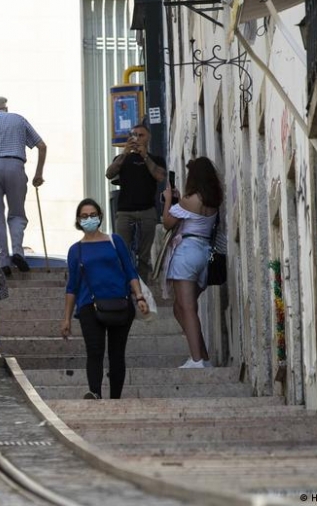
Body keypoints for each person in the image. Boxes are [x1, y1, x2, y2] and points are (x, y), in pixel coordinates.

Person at [61, 199, 149, 399]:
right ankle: (95, 393)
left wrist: (139, 297)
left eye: (93, 215)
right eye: (84, 216)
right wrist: (66, 318)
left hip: (120, 304)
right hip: (88, 307)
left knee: (117, 354)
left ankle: (115, 399)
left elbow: (130, 270)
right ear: (78, 220)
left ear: (100, 217)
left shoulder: (114, 241)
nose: (89, 219)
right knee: (95, 351)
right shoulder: (76, 250)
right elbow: (72, 286)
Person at [161, 156, 223, 369]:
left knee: (186, 307)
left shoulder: (190, 200)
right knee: (180, 308)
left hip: (186, 253)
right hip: (204, 253)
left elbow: (167, 222)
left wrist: (169, 199)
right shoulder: (213, 200)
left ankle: (197, 361)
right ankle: (203, 355)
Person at [0, 96, 46, 276]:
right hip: (16, 166)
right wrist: (38, 174)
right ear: (6, 109)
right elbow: (42, 146)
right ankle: (17, 252)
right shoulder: (19, 119)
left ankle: (2, 261)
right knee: (17, 214)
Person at [105, 123, 166, 277]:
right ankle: (125, 287)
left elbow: (159, 176)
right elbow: (109, 174)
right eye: (134, 135)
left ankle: (143, 288)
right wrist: (125, 153)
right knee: (122, 252)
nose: (137, 138)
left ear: (148, 138)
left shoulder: (156, 159)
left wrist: (145, 156)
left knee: (144, 257)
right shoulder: (121, 158)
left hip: (147, 211)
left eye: (141, 135)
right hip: (125, 211)